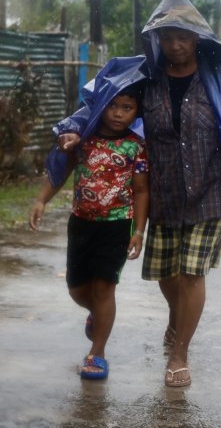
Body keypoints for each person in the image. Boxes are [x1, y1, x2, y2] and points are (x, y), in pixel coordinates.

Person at [53, 0, 221, 387]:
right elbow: (98, 102)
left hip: (212, 190)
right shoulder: (144, 78)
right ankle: (179, 319)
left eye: (184, 36)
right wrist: (72, 129)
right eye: (168, 36)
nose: (175, 44)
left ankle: (179, 353)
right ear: (156, 39)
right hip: (164, 192)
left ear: (198, 39)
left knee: (192, 273)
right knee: (164, 275)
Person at [30, 81, 149, 380]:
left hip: (117, 226)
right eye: (113, 105)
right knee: (77, 288)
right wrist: (41, 200)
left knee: (104, 287)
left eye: (127, 107)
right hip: (81, 223)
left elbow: (142, 191)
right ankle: (96, 313)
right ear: (101, 105)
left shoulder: (137, 146)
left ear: (136, 112)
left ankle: (97, 353)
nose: (119, 113)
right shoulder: (83, 140)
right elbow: (61, 171)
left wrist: (139, 230)